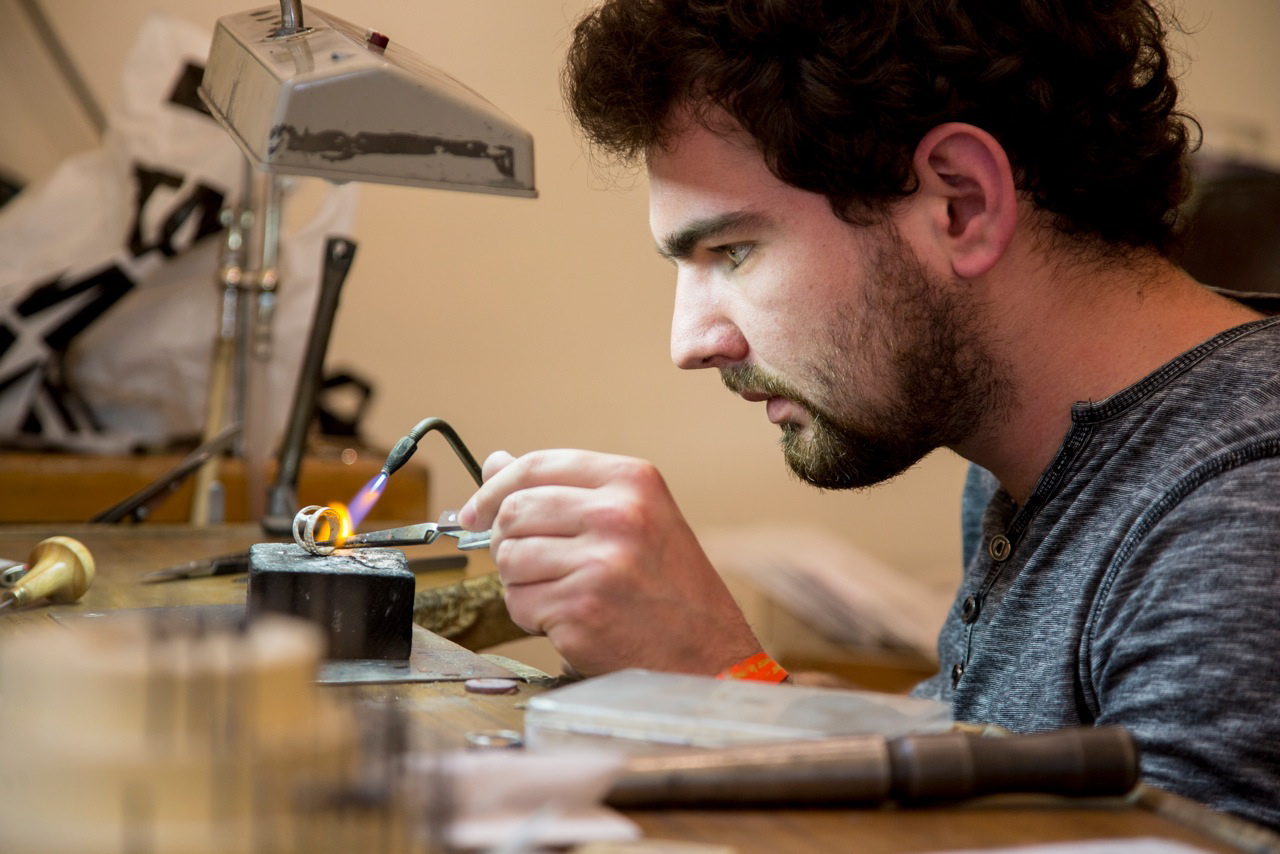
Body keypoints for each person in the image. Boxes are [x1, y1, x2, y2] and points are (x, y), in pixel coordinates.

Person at [458, 0, 1280, 828]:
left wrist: (718, 688)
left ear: (960, 204)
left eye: (732, 251)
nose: (691, 341)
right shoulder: (1034, 456)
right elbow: (985, 774)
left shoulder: (1236, 523)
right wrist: (727, 680)